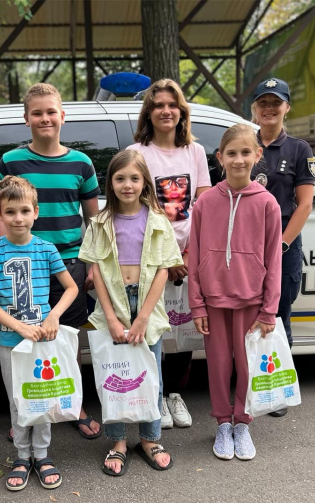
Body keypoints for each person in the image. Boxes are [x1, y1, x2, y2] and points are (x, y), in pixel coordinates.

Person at [0, 83, 103, 440]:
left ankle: (73, 403)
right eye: (37, 113)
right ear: (26, 119)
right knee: (24, 343)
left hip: (69, 266)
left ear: (62, 116)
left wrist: (91, 265)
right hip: (23, 270)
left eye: (51, 111)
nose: (45, 118)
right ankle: (25, 410)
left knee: (67, 342)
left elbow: (93, 223)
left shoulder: (81, 163)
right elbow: (0, 220)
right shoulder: (10, 162)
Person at [79, 150, 183, 476]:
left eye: (134, 178)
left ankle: (150, 438)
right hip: (112, 302)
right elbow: (95, 272)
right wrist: (111, 317)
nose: (127, 185)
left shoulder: (157, 220)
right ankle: (118, 441)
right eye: (120, 178)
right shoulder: (100, 222)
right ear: (109, 182)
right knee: (116, 375)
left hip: (146, 306)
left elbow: (164, 271)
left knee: (151, 375)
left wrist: (142, 318)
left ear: (144, 183)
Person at [188, 124, 282, 461]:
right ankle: (222, 424)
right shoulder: (206, 203)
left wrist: (269, 310)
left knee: (246, 366)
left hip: (251, 301)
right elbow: (196, 255)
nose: (239, 159)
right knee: (217, 366)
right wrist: (196, 305)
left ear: (257, 155)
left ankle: (242, 422)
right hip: (213, 301)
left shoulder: (267, 204)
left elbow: (273, 260)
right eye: (232, 153)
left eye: (245, 152)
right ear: (220, 158)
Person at [0, 175, 78, 491]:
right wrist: (19, 327)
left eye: (24, 211)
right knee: (18, 401)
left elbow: (71, 288)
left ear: (36, 212)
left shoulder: (46, 249)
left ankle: (42, 455)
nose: (18, 218)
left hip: (44, 342)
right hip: (10, 342)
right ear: (0, 213)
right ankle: (22, 456)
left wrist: (53, 316)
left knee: (43, 397)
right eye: (10, 212)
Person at [127, 78, 212, 430]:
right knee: (154, 329)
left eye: (172, 104)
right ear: (149, 112)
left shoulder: (195, 152)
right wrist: (166, 258)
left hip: (189, 255)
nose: (165, 110)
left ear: (181, 111)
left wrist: (190, 253)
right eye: (158, 104)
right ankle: (157, 392)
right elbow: (134, 208)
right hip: (152, 258)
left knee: (184, 326)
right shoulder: (138, 153)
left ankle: (176, 393)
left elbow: (204, 203)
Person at [250, 77, 315, 417]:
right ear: (255, 108)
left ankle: (276, 387)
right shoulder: (245, 143)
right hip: (247, 247)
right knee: (248, 313)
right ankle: (251, 381)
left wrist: (283, 243)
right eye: (263, 102)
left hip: (284, 246)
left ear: (287, 107)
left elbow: (304, 204)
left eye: (276, 102)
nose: (269, 108)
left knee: (279, 315)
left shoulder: (299, 150)